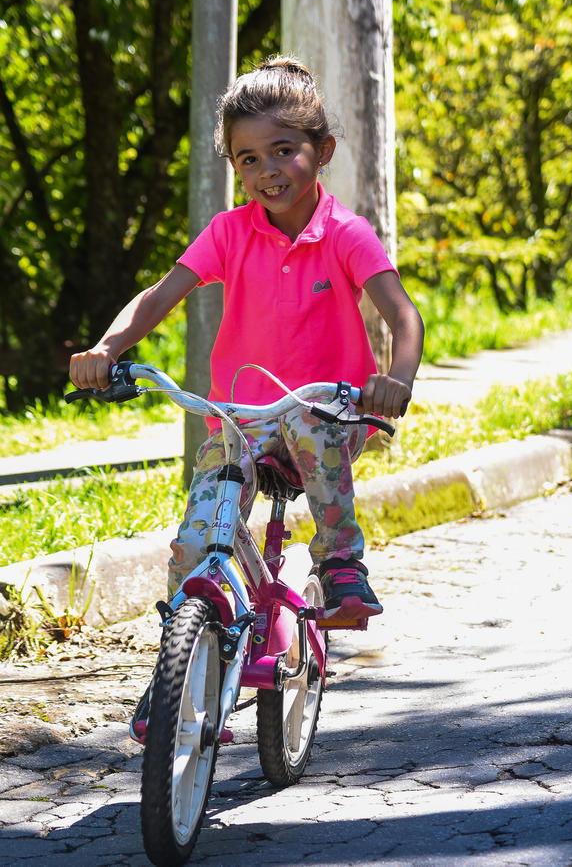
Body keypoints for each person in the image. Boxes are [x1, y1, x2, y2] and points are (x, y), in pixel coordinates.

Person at [69, 56, 425, 742]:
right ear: (235, 168)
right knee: (195, 538)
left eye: (284, 150)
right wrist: (108, 348)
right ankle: (174, 675)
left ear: (321, 151)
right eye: (249, 157)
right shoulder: (230, 233)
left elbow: (403, 315)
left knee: (314, 432)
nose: (269, 170)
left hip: (329, 408)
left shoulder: (345, 234)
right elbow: (159, 297)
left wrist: (397, 378)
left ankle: (341, 561)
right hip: (240, 418)